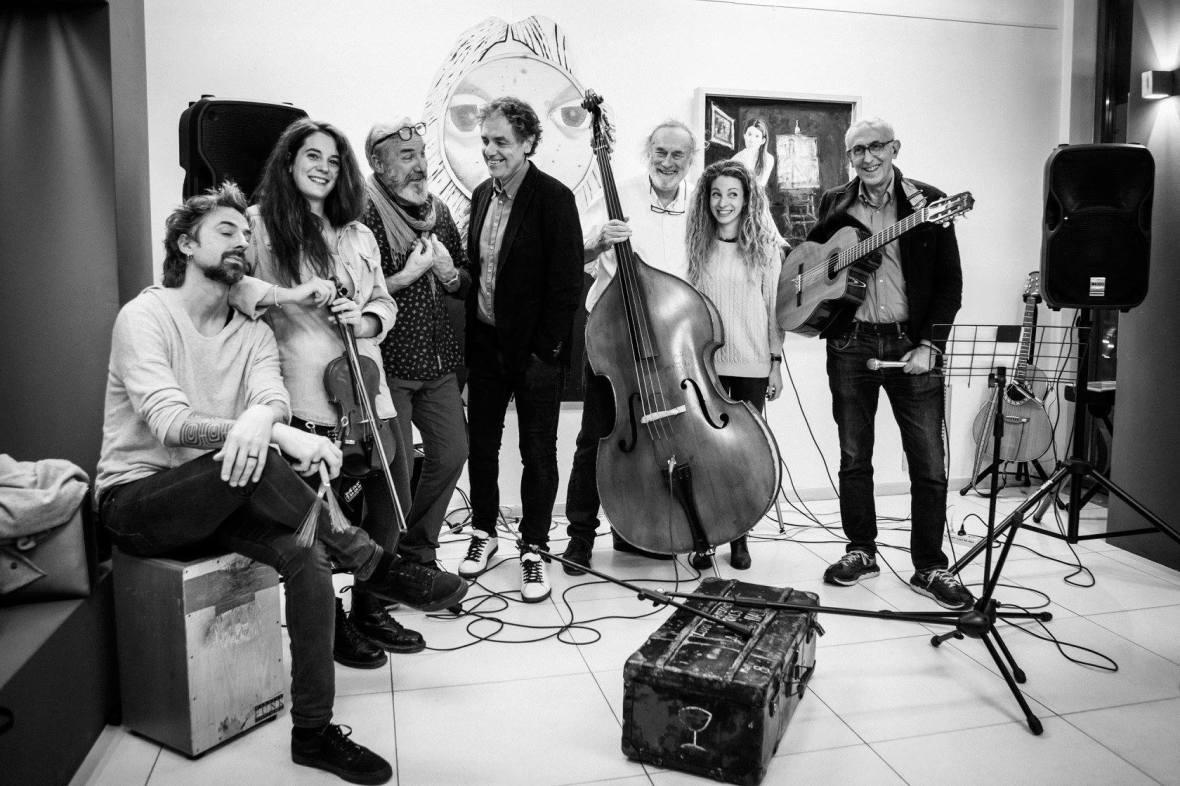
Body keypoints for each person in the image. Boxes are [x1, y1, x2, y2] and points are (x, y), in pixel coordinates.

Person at [96, 183, 467, 784]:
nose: (241, 241)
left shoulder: (253, 332)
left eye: (245, 234)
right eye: (225, 231)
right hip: (140, 502)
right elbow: (169, 422)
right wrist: (269, 432)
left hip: (225, 493)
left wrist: (265, 423)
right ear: (186, 244)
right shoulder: (146, 316)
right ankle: (373, 563)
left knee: (307, 554)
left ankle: (313, 733)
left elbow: (271, 399)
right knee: (266, 455)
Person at [236, 119, 460, 667]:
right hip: (305, 394)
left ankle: (370, 609)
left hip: (368, 392)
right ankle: (330, 619)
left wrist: (364, 320)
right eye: (312, 156)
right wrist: (291, 295)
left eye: (333, 161)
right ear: (289, 162)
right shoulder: (260, 225)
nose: (323, 168)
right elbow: (233, 288)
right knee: (319, 517)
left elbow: (384, 301)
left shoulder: (357, 233)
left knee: (389, 502)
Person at [804, 117, 972, 610]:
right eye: (858, 150)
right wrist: (817, 278)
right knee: (854, 456)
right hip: (850, 343)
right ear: (849, 157)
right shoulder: (835, 201)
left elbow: (950, 284)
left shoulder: (928, 202)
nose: (868, 157)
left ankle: (930, 565)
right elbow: (813, 257)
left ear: (895, 148)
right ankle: (860, 550)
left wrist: (931, 345)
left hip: (910, 343)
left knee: (930, 462)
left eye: (876, 146)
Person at [456, 96, 583, 603]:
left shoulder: (554, 198)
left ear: (528, 142)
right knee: (481, 447)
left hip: (534, 354)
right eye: (485, 140)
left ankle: (534, 548)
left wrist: (544, 352)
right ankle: (483, 532)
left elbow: (566, 285)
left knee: (538, 452)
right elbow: (480, 270)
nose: (490, 150)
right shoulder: (481, 195)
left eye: (501, 141)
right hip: (486, 346)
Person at [560, 120, 697, 574]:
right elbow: (574, 252)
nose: (668, 162)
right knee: (596, 439)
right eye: (661, 152)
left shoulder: (698, 202)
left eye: (678, 155)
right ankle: (580, 536)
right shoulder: (618, 194)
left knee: (662, 440)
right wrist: (599, 240)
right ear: (648, 151)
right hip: (615, 341)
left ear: (690, 160)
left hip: (672, 347)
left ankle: (639, 530)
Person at [359, 117, 469, 577]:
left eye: (422, 154)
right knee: (395, 478)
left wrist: (448, 273)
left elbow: (462, 279)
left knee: (452, 452)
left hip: (439, 363)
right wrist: (406, 276)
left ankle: (419, 552)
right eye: (407, 157)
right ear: (379, 164)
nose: (420, 165)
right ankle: (381, 572)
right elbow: (353, 292)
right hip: (388, 369)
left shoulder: (438, 211)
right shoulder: (361, 214)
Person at [683, 160, 785, 570]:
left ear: (747, 200)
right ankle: (705, 537)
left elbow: (774, 311)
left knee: (742, 457)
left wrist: (775, 362)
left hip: (752, 366)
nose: (723, 202)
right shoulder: (698, 246)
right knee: (704, 455)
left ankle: (740, 536)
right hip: (705, 367)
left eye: (732, 194)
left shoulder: (766, 249)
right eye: (716, 194)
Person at [731, 118, 775, 189]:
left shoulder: (768, 159)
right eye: (749, 134)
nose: (752, 140)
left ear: (763, 141)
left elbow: (761, 184)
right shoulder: (737, 158)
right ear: (744, 136)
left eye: (757, 136)